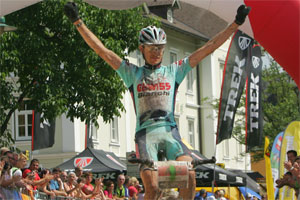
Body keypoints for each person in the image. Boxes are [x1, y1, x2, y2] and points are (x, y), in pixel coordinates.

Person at [64, 2, 250, 199]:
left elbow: (208, 48)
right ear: (141, 48)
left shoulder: (174, 71)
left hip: (171, 134)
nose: (157, 52)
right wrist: (77, 22)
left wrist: (236, 23)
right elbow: (103, 51)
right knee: (152, 188)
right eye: (152, 48)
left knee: (190, 176)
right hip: (146, 136)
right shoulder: (132, 73)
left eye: (160, 48)